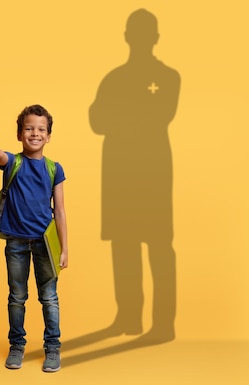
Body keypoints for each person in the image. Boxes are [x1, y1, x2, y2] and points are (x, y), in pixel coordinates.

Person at [89, 9, 179, 343]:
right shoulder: (113, 79)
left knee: (158, 245)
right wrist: (132, 115)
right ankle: (128, 316)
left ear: (154, 38)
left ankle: (164, 323)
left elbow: (160, 116)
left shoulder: (169, 77)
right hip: (119, 175)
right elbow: (96, 121)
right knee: (123, 245)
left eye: (146, 33)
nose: (140, 39)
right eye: (135, 33)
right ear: (127, 37)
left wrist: (121, 116)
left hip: (152, 175)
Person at [0, 104, 68, 372]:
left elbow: (61, 211)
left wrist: (64, 249)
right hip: (16, 242)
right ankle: (17, 345)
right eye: (29, 128)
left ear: (49, 136)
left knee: (49, 297)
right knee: (17, 296)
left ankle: (52, 348)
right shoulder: (13, 163)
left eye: (41, 129)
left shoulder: (55, 169)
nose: (35, 133)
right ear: (19, 134)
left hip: (45, 243)